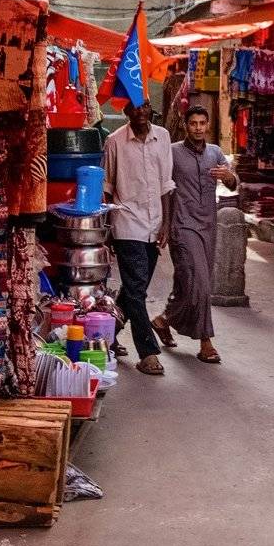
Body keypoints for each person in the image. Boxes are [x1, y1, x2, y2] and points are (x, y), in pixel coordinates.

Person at [153, 106, 237, 364]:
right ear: (185, 125)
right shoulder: (173, 152)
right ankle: (205, 342)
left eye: (202, 123)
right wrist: (165, 224)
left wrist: (228, 176)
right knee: (199, 283)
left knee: (189, 283)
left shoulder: (215, 153)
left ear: (208, 125)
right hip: (182, 225)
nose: (198, 128)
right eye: (193, 123)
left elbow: (233, 183)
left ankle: (163, 319)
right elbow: (163, 189)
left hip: (208, 225)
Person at [103, 100, 175, 376]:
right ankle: (148, 353)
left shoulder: (163, 137)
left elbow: (166, 184)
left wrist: (166, 223)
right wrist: (107, 229)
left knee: (135, 289)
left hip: (154, 224)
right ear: (126, 112)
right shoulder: (115, 141)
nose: (141, 111)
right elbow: (107, 188)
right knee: (136, 290)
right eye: (134, 107)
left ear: (150, 109)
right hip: (127, 222)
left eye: (145, 106)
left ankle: (107, 334)